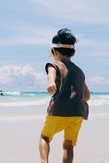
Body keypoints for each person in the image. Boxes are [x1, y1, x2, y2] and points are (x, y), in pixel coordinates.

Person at [39, 28, 90, 163]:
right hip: (77, 113)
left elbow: (51, 74)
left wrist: (51, 83)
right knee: (68, 145)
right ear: (73, 52)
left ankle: (44, 162)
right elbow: (87, 96)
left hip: (58, 110)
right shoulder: (80, 71)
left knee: (45, 137)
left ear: (54, 51)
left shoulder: (54, 65)